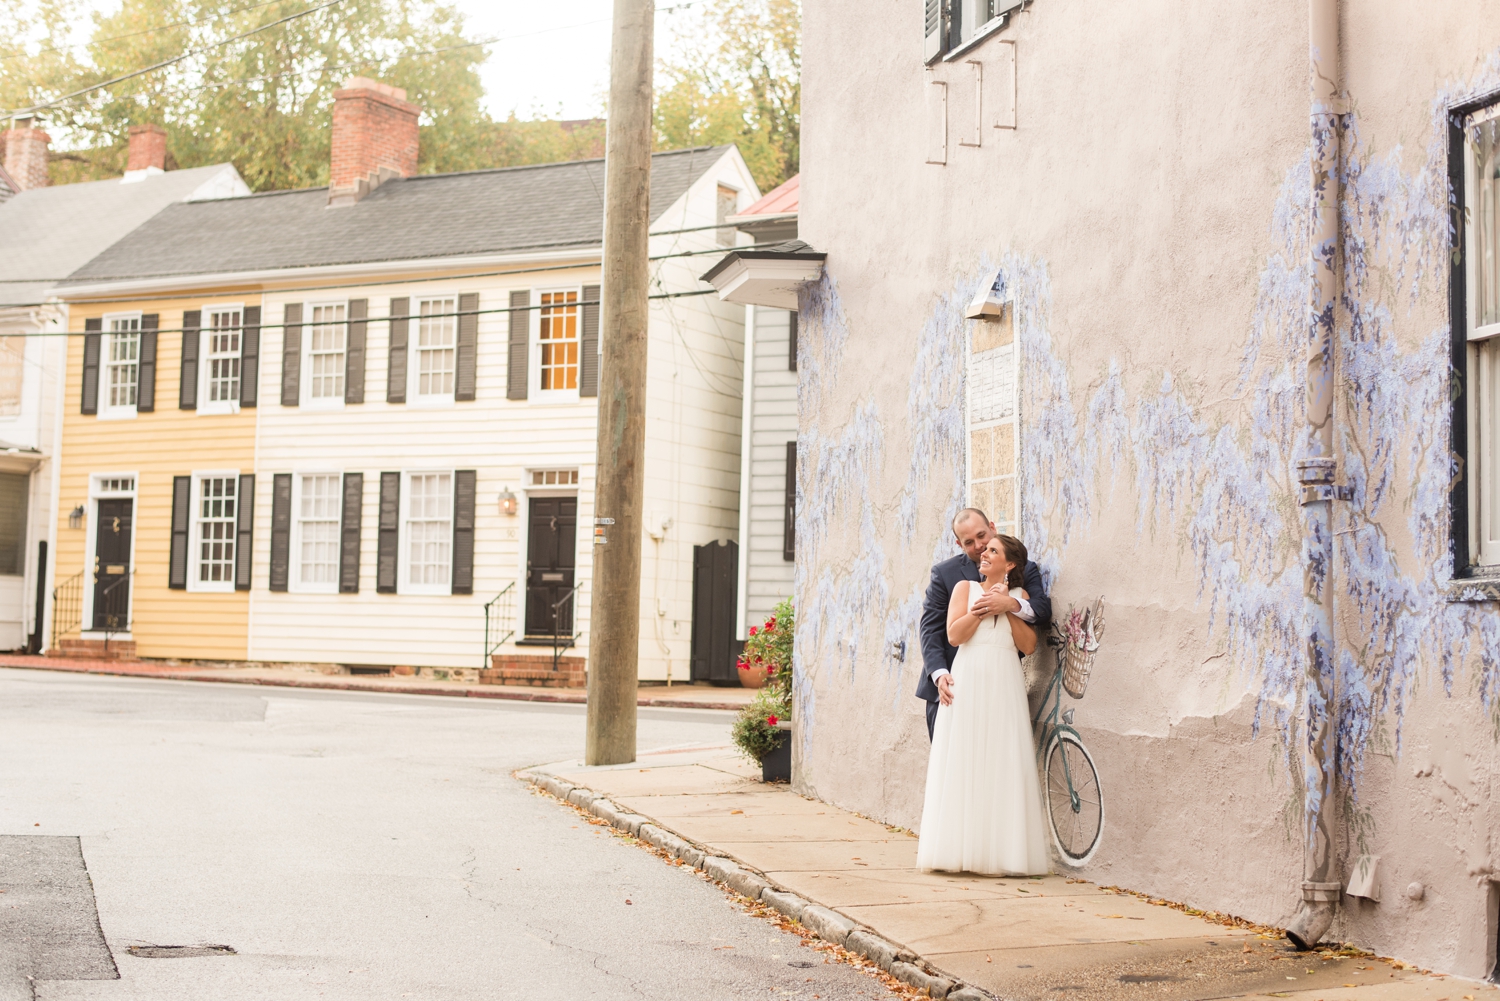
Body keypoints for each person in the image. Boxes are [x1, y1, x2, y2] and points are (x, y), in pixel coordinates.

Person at [916, 533, 1050, 875]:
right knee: (965, 758)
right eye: (984, 549)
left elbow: (1030, 646)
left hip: (1004, 682)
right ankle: (956, 852)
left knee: (1003, 761)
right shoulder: (964, 588)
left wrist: (1006, 607)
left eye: (992, 550)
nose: (984, 554)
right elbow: (954, 636)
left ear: (1010, 564)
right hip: (970, 678)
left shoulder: (1020, 598)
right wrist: (982, 610)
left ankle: (1002, 854)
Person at [917, 508, 1051, 741]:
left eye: (982, 536)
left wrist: (1009, 603)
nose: (979, 546)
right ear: (959, 544)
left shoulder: (1024, 567)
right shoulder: (945, 573)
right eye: (969, 542)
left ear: (992, 527)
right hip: (951, 688)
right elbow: (931, 629)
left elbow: (1041, 610)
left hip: (1000, 686)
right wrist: (940, 675)